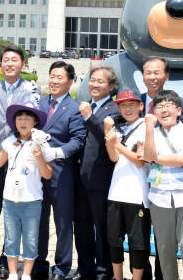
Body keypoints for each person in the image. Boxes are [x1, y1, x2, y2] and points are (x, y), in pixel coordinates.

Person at [0, 103, 53, 280]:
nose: (23, 122)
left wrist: (39, 157)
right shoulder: (9, 141)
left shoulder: (42, 143)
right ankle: (13, 273)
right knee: (11, 239)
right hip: (10, 199)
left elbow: (48, 174)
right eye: (19, 119)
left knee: (30, 240)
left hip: (32, 201)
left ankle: (26, 274)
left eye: (27, 119)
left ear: (35, 122)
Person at [0, 45, 32, 280]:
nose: (10, 63)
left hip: (21, 159)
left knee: (12, 212)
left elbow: (33, 123)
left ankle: (5, 259)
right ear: (0, 65)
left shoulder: (31, 89)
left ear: (22, 64)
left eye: (14, 60)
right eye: (6, 60)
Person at [31, 62, 85, 280]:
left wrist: (57, 153)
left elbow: (78, 141)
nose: (54, 81)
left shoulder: (75, 108)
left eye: (59, 77)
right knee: (38, 221)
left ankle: (62, 267)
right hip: (36, 174)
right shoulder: (39, 103)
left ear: (70, 81)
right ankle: (39, 263)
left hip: (62, 175)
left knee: (63, 224)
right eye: (52, 76)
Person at [142, 90, 183, 280]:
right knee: (164, 250)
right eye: (159, 107)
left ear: (178, 110)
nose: (163, 110)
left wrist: (154, 158)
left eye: (168, 106)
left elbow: (181, 159)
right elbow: (149, 158)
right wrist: (149, 129)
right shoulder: (152, 133)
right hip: (159, 199)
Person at [73, 66, 119, 280]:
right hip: (79, 179)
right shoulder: (84, 107)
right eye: (92, 80)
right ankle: (85, 270)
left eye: (100, 81)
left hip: (101, 180)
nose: (94, 84)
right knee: (81, 228)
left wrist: (90, 117)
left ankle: (103, 270)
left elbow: (109, 139)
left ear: (111, 86)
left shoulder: (115, 110)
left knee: (102, 228)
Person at [103, 90, 150, 280]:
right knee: (114, 239)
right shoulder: (119, 128)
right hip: (116, 191)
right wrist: (108, 134)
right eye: (123, 105)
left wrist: (119, 145)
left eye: (132, 104)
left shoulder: (146, 127)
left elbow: (140, 161)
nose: (127, 108)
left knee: (137, 242)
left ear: (140, 106)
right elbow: (113, 157)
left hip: (137, 194)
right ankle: (118, 277)